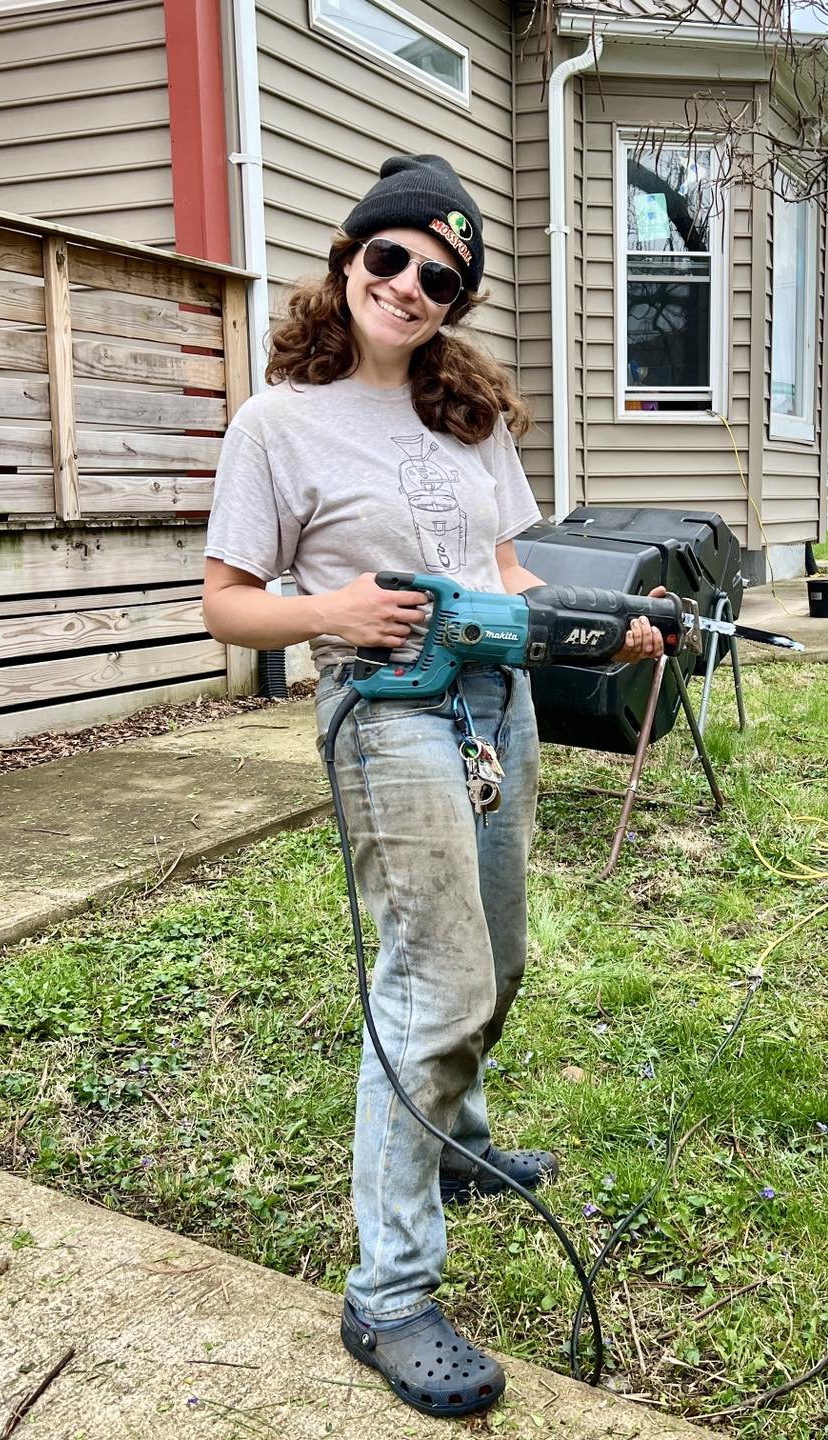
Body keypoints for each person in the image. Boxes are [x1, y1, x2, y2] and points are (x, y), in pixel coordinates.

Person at [202, 155, 663, 1418]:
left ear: (455, 301)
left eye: (439, 277)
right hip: (383, 713)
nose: (409, 286)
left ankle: (452, 1144)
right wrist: (328, 609)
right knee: (432, 979)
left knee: (498, 958)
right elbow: (226, 606)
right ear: (352, 259)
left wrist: (597, 627)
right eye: (391, 258)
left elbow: (506, 576)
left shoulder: (469, 421)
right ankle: (390, 1290)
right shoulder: (276, 424)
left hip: (492, 708)